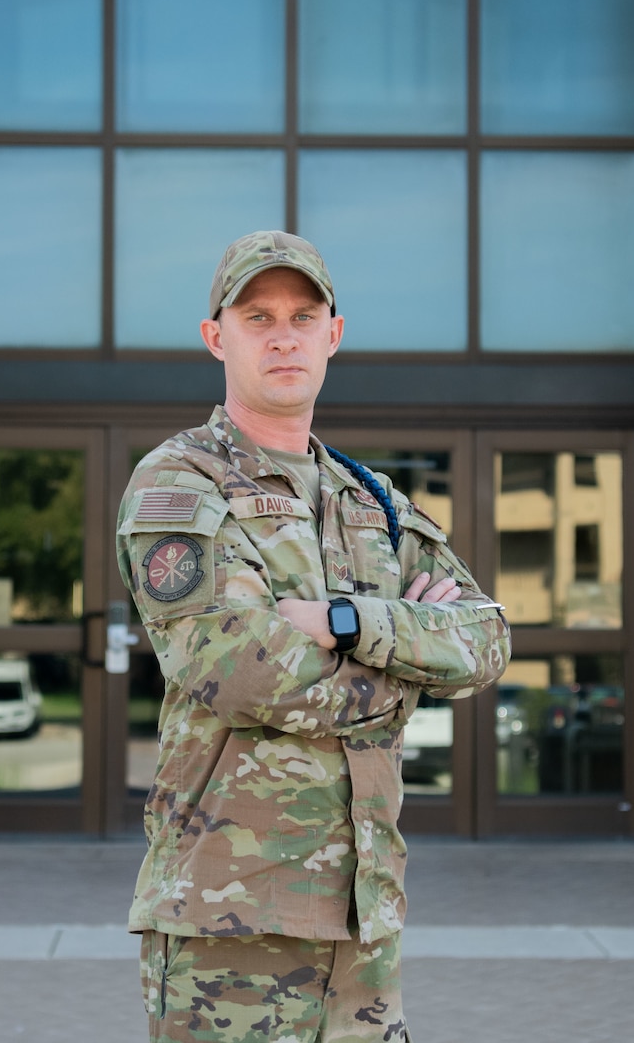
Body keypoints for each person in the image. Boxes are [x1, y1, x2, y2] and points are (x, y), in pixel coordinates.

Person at [118, 230, 510, 1043]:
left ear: (334, 333)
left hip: (365, 916)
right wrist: (410, 672)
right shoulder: (179, 481)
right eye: (256, 316)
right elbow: (238, 669)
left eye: (303, 315)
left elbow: (485, 639)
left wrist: (350, 623)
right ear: (215, 337)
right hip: (231, 922)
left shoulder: (371, 501)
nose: (283, 334)